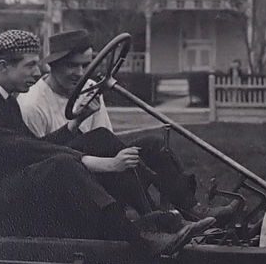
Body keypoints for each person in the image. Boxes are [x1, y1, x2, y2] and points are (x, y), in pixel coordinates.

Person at [0, 30, 213, 256]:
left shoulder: (2, 99)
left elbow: (30, 146)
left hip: (3, 190)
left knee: (99, 138)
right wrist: (93, 162)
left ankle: (157, 220)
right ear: (3, 67)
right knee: (61, 165)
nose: (38, 71)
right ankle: (138, 237)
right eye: (30, 65)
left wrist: (75, 123)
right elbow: (26, 151)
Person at [17, 29, 209, 221]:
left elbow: (107, 141)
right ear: (53, 65)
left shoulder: (88, 88)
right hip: (69, 183)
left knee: (154, 144)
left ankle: (192, 209)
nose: (80, 73)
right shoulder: (33, 104)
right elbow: (40, 163)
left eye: (85, 65)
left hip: (102, 170)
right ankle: (154, 218)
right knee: (102, 139)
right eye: (72, 66)